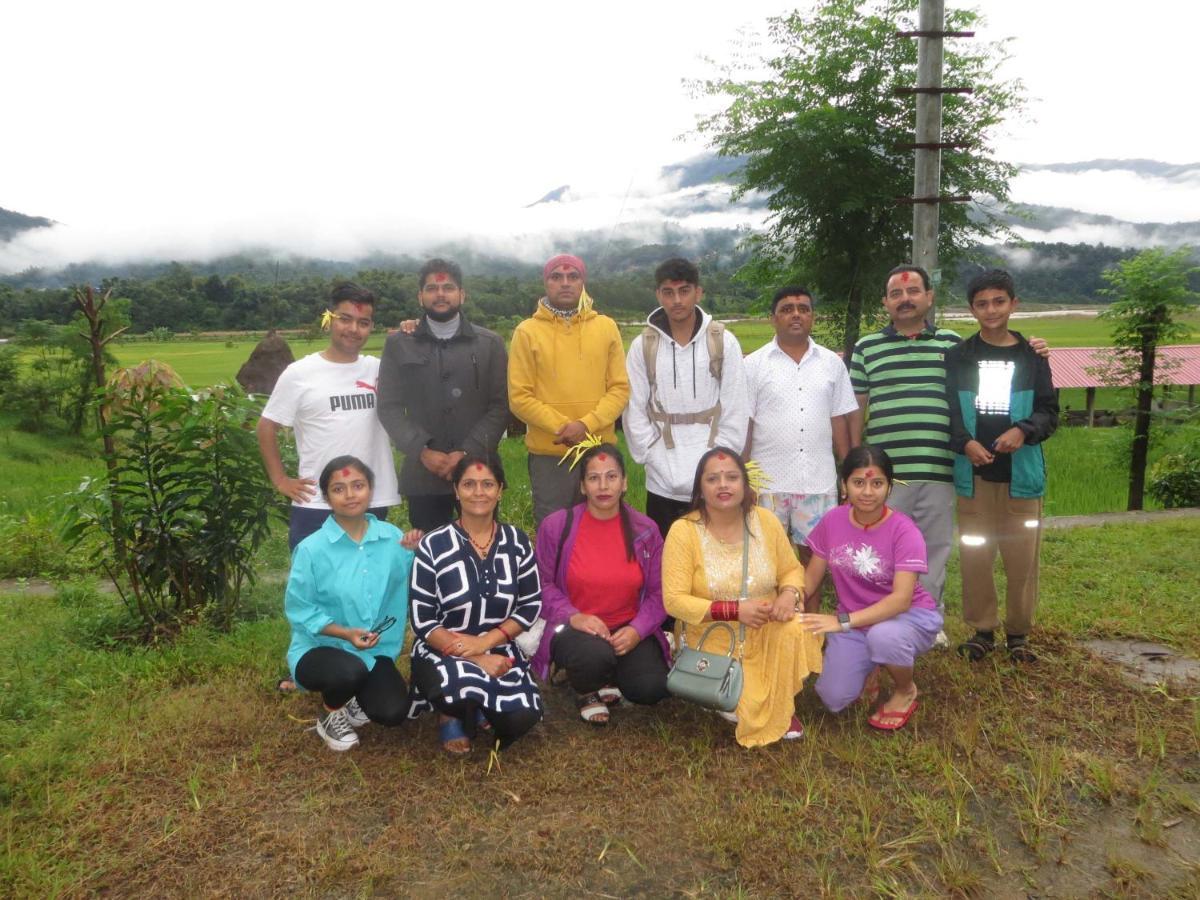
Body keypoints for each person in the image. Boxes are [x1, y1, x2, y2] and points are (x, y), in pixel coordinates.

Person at [849, 265, 1049, 647]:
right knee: (882, 550)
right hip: (885, 473)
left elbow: (995, 379)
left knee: (932, 548)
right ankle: (880, 620)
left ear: (929, 297)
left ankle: (927, 621)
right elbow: (857, 407)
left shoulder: (954, 347)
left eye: (913, 292)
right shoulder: (866, 348)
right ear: (885, 302)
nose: (905, 299)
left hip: (942, 468)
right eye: (895, 294)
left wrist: (1034, 349)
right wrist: (859, 465)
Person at [662, 447, 824, 748]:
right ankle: (738, 696)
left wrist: (789, 595)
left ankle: (781, 702)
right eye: (713, 479)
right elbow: (674, 600)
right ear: (700, 487)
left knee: (798, 628)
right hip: (716, 635)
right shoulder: (683, 532)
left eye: (732, 477)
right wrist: (735, 610)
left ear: (745, 484)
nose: (723, 485)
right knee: (745, 705)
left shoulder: (765, 520)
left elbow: (791, 569)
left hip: (767, 625)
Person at [946, 269, 1058, 664]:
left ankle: (1018, 634)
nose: (990, 310)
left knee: (1021, 558)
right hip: (973, 476)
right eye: (982, 303)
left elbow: (1049, 412)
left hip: (1021, 479)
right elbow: (949, 415)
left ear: (1013, 304)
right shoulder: (958, 357)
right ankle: (981, 630)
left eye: (998, 301)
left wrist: (1023, 432)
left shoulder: (1033, 356)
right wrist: (966, 443)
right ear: (971, 309)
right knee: (976, 555)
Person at [799, 446, 943, 731]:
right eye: (858, 483)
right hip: (856, 622)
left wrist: (841, 622)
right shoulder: (832, 520)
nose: (867, 492)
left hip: (908, 617)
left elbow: (901, 600)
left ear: (889, 487)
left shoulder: (904, 530)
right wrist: (787, 599)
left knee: (884, 637)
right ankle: (872, 666)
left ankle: (905, 690)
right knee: (833, 698)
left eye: (877, 483)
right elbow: (811, 579)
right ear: (844, 485)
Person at [407, 454, 543, 754]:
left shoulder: (517, 542)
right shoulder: (434, 545)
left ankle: (480, 705)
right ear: (456, 491)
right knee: (451, 689)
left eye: (487, 484)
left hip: (501, 648)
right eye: (469, 484)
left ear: (500, 490)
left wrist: (486, 643)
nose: (478, 492)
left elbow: (530, 605)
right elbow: (423, 620)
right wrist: (476, 656)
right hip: (442, 649)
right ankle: (452, 713)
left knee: (521, 719)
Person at [284, 456, 418, 751]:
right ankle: (331, 713)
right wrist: (345, 633)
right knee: (348, 672)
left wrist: (419, 549)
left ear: (371, 490)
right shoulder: (311, 550)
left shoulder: (393, 538)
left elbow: (416, 578)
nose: (350, 495)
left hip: (374, 650)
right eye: (339, 488)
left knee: (393, 712)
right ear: (327, 497)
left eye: (358, 485)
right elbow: (299, 608)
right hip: (320, 649)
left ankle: (356, 697)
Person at [531, 442, 670, 725]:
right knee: (593, 656)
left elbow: (660, 592)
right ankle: (585, 688)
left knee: (650, 689)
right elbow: (541, 584)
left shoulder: (646, 530)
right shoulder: (557, 526)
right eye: (593, 478)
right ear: (582, 486)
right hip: (577, 628)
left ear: (625, 482)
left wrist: (637, 629)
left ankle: (612, 674)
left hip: (627, 627)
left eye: (611, 476)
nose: (603, 486)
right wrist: (574, 616)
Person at [258, 282, 401, 550]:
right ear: (329, 319)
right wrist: (279, 479)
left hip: (373, 499)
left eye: (363, 322)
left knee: (368, 584)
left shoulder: (380, 370)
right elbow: (266, 426)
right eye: (345, 319)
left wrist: (413, 330)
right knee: (315, 585)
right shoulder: (300, 373)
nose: (353, 329)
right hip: (317, 503)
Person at [377, 258, 510, 532]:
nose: (440, 294)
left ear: (462, 294)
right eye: (432, 288)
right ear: (420, 295)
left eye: (448, 287)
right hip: (423, 473)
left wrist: (467, 451)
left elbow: (501, 406)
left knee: (481, 547)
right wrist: (422, 451)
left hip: (479, 472)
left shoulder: (490, 344)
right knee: (429, 553)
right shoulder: (399, 344)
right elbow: (388, 407)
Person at [625, 257, 750, 539]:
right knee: (665, 559)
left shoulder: (723, 341)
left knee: (714, 559)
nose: (677, 300)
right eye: (668, 292)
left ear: (698, 292)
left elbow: (735, 407)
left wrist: (720, 462)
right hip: (661, 478)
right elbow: (635, 410)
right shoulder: (643, 345)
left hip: (713, 475)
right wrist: (651, 456)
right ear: (658, 295)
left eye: (684, 290)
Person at [508, 253, 631, 528]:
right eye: (557, 277)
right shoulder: (527, 332)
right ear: (545, 283)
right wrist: (564, 427)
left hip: (599, 451)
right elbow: (519, 397)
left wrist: (586, 425)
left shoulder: (606, 327)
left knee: (603, 529)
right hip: (551, 455)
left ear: (583, 282)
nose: (565, 283)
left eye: (572, 276)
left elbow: (620, 389)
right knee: (555, 531)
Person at [743, 286, 858, 561]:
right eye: (787, 309)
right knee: (767, 561)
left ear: (812, 317)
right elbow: (744, 424)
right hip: (767, 486)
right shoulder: (753, 365)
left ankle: (809, 606)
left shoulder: (832, 364)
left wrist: (849, 473)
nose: (796, 315)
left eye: (803, 309)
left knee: (815, 561)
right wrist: (743, 477)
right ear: (773, 318)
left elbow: (839, 419)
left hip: (817, 483)